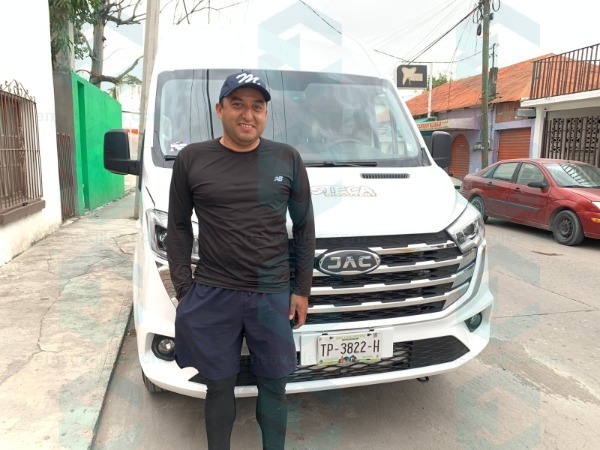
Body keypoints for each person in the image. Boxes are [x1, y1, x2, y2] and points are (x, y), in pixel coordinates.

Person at [167, 71, 315, 450]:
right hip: (214, 291)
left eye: (257, 107)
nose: (248, 115)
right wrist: (184, 288)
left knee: (274, 385)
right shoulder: (192, 159)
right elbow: (178, 227)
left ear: (265, 113)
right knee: (218, 386)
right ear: (220, 110)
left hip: (272, 294)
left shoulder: (287, 158)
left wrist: (301, 289)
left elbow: (303, 227)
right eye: (238, 105)